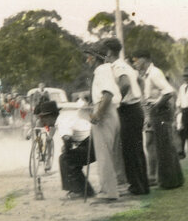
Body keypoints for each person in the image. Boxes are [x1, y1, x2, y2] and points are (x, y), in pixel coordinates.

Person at [130, 51, 184, 190]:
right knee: (158, 145)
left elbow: (168, 91)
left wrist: (156, 105)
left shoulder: (154, 73)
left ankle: (169, 181)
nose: (135, 63)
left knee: (164, 146)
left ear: (145, 59)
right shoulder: (147, 75)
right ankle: (169, 179)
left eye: (136, 60)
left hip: (160, 112)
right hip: (155, 112)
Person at [102, 38, 149, 195]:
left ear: (109, 52)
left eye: (105, 53)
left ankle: (137, 186)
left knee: (131, 150)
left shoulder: (117, 66)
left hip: (129, 110)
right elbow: (139, 81)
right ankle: (141, 185)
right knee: (135, 149)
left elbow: (125, 84)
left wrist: (117, 99)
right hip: (134, 108)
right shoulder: (125, 65)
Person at [83, 42, 122, 202]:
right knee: (105, 153)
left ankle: (109, 193)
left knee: (104, 153)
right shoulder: (105, 70)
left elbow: (108, 94)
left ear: (95, 57)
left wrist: (98, 114)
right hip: (107, 111)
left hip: (105, 113)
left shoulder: (102, 70)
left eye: (89, 57)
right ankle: (108, 189)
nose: (87, 61)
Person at [58, 101, 95, 198]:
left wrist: (66, 149)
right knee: (69, 157)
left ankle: (80, 190)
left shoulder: (61, 121)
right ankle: (84, 189)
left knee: (65, 158)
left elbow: (67, 139)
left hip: (91, 144)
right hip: (92, 142)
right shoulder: (63, 118)